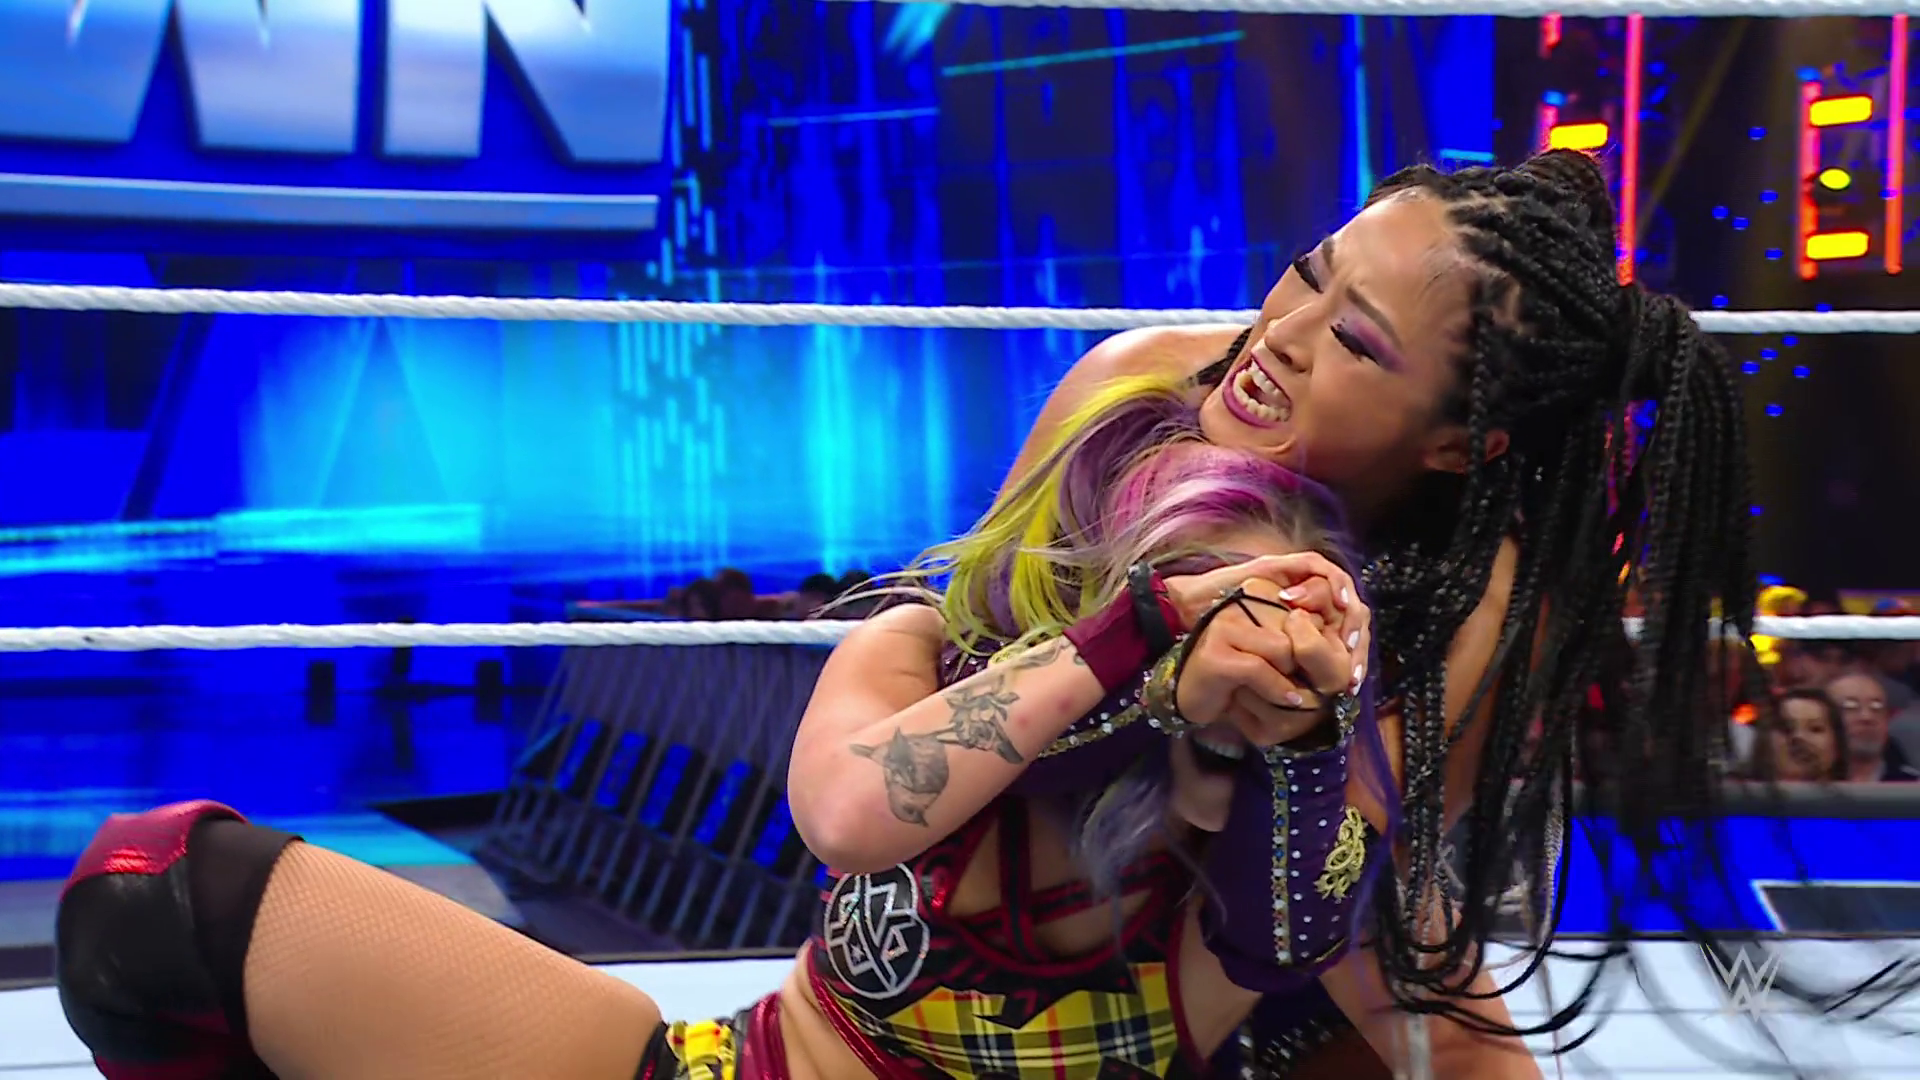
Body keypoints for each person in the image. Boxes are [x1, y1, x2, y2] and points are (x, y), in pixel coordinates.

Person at [53, 384, 1448, 1078]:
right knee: (148, 896)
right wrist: (1137, 644)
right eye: (1196, 595)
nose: (1237, 649)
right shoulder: (926, 654)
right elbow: (846, 817)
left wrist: (1302, 728)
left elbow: (1295, 945)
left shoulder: (1271, 830)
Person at [967, 149, 1768, 1065]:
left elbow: (1315, 900)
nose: (1283, 334)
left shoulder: (1478, 605)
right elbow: (973, 645)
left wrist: (1297, 726)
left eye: (1354, 339)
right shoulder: (1140, 382)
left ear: (1458, 445)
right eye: (1311, 272)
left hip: (1264, 921)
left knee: (1454, 1039)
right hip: (1021, 838)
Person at [1743, 689, 1847, 783]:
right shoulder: (1737, 795)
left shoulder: (1854, 797)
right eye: (1786, 729)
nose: (1798, 737)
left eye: (1815, 729)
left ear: (1837, 744)